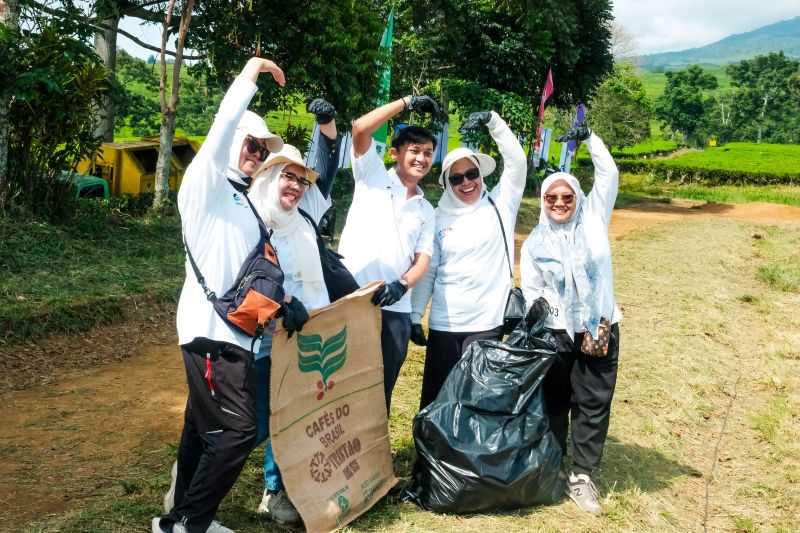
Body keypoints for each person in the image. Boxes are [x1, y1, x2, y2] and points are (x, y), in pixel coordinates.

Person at [153, 57, 303, 533]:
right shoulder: (205, 185)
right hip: (211, 335)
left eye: (263, 149)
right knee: (238, 430)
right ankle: (189, 524)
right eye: (251, 144)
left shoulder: (244, 202)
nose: (256, 154)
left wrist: (284, 305)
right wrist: (249, 74)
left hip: (237, 334)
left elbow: (248, 273)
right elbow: (219, 133)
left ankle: (180, 518)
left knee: (201, 430)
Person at [519, 124, 622, 516]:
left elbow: (608, 174)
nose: (560, 203)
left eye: (567, 196)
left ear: (578, 197)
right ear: (542, 200)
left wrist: (591, 136)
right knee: (554, 401)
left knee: (593, 401)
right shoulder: (535, 242)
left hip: (597, 327)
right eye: (551, 197)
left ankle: (582, 475)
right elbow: (532, 289)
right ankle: (552, 465)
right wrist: (542, 314)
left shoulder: (595, 218)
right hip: (557, 334)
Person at [248, 99, 342, 526]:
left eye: (301, 180)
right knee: (257, 420)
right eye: (288, 176)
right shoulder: (252, 220)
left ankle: (278, 490)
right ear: (268, 176)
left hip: (309, 335)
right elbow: (246, 278)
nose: (296, 186)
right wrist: (284, 304)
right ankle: (195, 480)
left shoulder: (304, 214)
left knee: (294, 415)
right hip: (263, 342)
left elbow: (327, 159)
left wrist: (325, 123)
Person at [409, 110, 527, 409]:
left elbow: (517, 162)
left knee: (479, 397)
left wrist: (494, 122)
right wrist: (415, 315)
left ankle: (472, 457)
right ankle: (433, 454)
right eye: (457, 177)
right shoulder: (437, 218)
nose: (466, 182)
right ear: (448, 182)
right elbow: (430, 271)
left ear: (480, 175)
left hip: (486, 322)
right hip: (444, 323)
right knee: (440, 397)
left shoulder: (501, 203)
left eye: (472, 174)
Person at [338, 95, 440, 411]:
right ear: (395, 153)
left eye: (428, 153)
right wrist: (406, 102)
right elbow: (360, 128)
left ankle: (371, 456)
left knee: (381, 389)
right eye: (414, 151)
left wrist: (402, 285)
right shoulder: (372, 177)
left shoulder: (426, 208)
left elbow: (423, 257)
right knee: (340, 386)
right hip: (351, 298)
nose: (422, 158)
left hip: (394, 308)